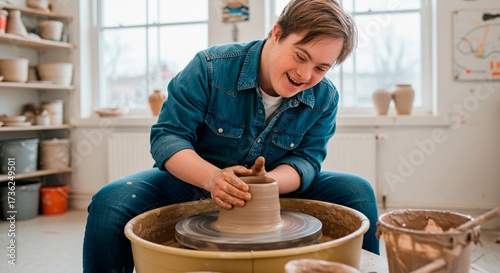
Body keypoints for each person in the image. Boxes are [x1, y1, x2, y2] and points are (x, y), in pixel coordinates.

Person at [83, 0, 379, 272]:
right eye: (301, 56)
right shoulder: (210, 68)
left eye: (321, 68)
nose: (305, 75)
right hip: (195, 181)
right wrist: (213, 179)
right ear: (276, 34)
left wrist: (269, 184)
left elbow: (307, 159)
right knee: (111, 202)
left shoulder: (324, 97)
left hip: (273, 188)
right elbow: (168, 138)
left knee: (357, 192)